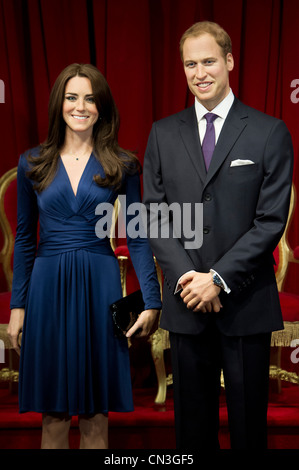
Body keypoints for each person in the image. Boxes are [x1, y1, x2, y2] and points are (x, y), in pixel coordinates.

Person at [142, 21, 293, 449]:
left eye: (208, 61)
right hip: (186, 300)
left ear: (229, 61)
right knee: (191, 431)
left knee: (249, 430)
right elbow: (154, 215)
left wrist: (218, 279)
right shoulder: (162, 133)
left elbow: (269, 221)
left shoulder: (269, 131)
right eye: (190, 63)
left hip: (244, 300)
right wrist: (190, 279)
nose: (199, 72)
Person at [7, 63, 162, 449]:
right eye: (72, 97)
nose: (81, 106)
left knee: (96, 416)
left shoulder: (123, 164)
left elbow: (138, 236)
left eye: (90, 98)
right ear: (59, 104)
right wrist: (18, 306)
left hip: (100, 284)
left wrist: (151, 301)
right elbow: (26, 239)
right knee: (53, 415)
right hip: (46, 287)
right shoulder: (32, 163)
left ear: (101, 106)